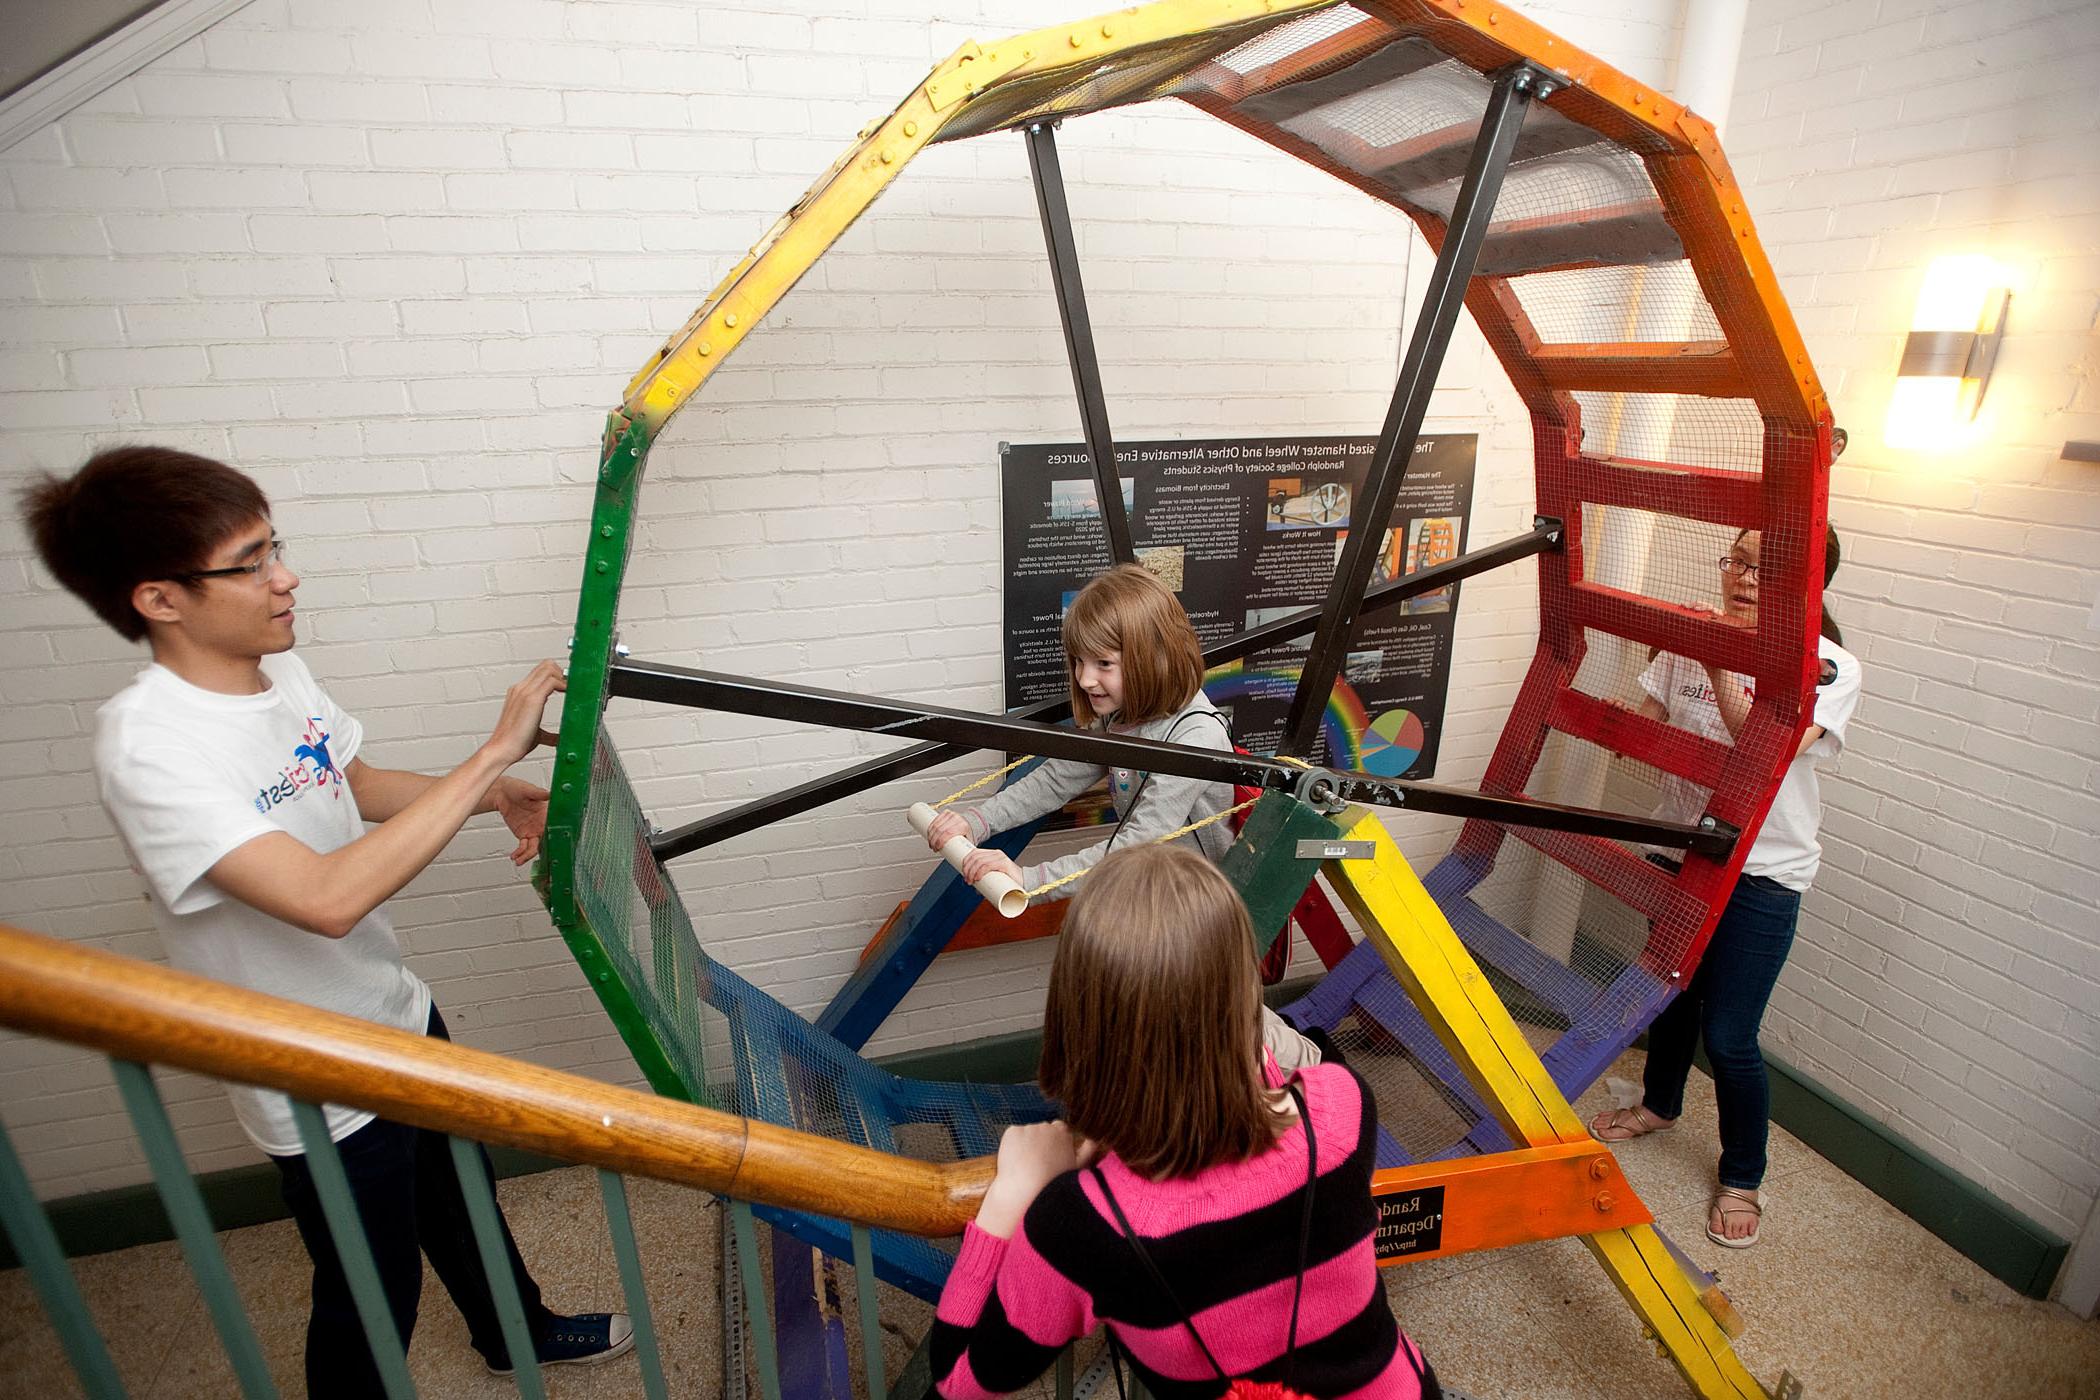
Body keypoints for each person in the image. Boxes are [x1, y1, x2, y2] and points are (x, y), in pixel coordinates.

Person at [20, 446, 632, 1395]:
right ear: (160, 599)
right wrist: (489, 750)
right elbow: (324, 896)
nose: (285, 576)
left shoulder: (277, 670)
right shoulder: (147, 745)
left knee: (464, 1202)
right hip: (311, 1074)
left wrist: (490, 793)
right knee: (369, 1284)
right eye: (252, 561)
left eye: (277, 548)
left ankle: (518, 1332)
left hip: (394, 1011)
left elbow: (348, 781)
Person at [930, 845, 1439, 1400]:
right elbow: (1263, 1098)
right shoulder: (1342, 1108)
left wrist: (1012, 1195)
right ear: (1244, 995)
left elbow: (957, 1381)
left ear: (1080, 1019)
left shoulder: (1077, 1227)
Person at [922, 562, 1318, 1071]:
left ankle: (1314, 1069)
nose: (1086, 679)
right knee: (1165, 1021)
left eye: (1103, 664)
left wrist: (1030, 880)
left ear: (1153, 658)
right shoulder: (1121, 716)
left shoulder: (1195, 734)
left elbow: (1139, 842)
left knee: (1228, 1021)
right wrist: (977, 821)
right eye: (1080, 662)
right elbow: (1054, 780)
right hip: (1154, 898)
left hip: (1201, 913)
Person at [1590, 525, 1861, 1250]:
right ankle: (1660, 1105)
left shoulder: (1827, 667)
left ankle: (1744, 1175)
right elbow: (1640, 731)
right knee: (1670, 996)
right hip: (1680, 852)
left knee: (1732, 1034)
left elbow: (1760, 753)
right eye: (1737, 561)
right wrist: (1616, 704)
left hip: (1763, 874)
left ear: (1806, 587)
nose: (1742, 578)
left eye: (1764, 569)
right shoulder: (1692, 638)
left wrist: (1714, 668)